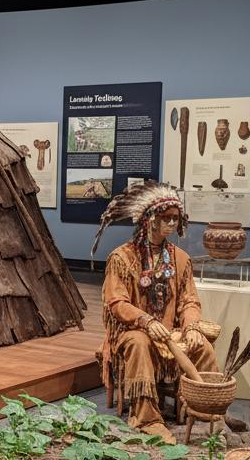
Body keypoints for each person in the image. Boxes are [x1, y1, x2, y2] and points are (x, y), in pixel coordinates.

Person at [92, 181, 219, 442]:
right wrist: (146, 321)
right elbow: (116, 302)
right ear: (150, 220)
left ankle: (206, 408)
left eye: (176, 219)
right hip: (133, 330)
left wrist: (191, 326)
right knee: (139, 344)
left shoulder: (180, 258)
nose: (173, 224)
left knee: (202, 345)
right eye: (167, 219)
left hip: (169, 330)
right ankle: (147, 418)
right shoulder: (122, 257)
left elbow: (190, 301)